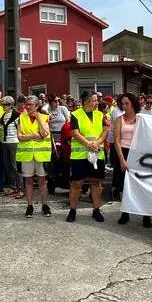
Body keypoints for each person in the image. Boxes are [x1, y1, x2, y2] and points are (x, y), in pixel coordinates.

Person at [67, 91, 109, 223]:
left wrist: (98, 142)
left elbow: (106, 130)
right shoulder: (75, 114)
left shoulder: (100, 114)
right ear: (86, 102)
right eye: (94, 100)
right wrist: (88, 144)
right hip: (80, 155)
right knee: (76, 183)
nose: (97, 103)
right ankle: (73, 210)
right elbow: (74, 133)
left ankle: (96, 210)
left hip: (97, 154)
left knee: (96, 182)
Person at [114, 93, 151, 228]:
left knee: (142, 185)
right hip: (123, 152)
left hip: (138, 154)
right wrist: (122, 160)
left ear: (133, 104)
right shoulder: (119, 119)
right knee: (125, 186)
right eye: (122, 104)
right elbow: (117, 141)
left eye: (127, 104)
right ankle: (125, 213)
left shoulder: (142, 119)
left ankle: (146, 215)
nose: (124, 106)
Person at [16, 96, 52, 218]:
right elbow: (20, 136)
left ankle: (45, 205)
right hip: (27, 155)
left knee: (42, 180)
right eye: (27, 104)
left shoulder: (45, 117)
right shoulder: (21, 117)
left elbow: (44, 133)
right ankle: (30, 206)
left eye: (31, 104)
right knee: (29, 180)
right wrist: (34, 135)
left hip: (41, 155)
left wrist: (38, 118)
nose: (28, 106)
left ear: (37, 106)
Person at [1, 96, 24, 199]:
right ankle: (13, 186)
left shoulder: (17, 116)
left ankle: (21, 188)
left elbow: (20, 129)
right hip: (5, 142)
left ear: (10, 105)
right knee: (8, 165)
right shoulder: (4, 115)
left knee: (16, 165)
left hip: (14, 142)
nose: (3, 106)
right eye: (2, 104)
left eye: (5, 104)